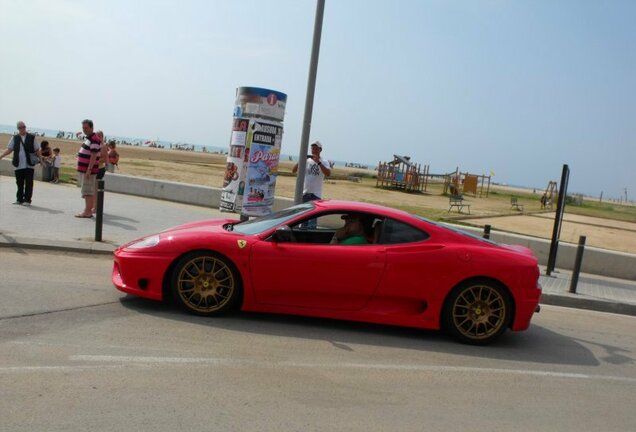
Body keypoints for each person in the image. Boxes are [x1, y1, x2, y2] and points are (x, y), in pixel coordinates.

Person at [0, 121, 41, 205]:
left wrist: (41, 160)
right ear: (18, 129)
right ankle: (19, 199)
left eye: (24, 127)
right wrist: (1, 156)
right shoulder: (15, 138)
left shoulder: (32, 137)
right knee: (19, 182)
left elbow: (37, 150)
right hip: (18, 164)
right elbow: (10, 149)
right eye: (21, 127)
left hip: (29, 164)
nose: (23, 129)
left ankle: (27, 200)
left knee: (29, 183)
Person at [292, 140, 331, 228]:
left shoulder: (324, 161)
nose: (314, 151)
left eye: (316, 149)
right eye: (313, 149)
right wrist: (301, 160)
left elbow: (328, 173)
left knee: (312, 221)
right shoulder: (307, 161)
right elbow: (293, 171)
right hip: (305, 193)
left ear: (320, 150)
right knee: (303, 220)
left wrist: (319, 163)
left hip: (316, 194)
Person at [75, 119, 101, 218]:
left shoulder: (94, 139)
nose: (84, 130)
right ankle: (87, 210)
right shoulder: (89, 138)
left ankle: (87, 211)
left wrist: (89, 170)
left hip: (88, 171)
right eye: (83, 128)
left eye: (86, 128)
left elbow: (93, 155)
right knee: (86, 191)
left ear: (91, 128)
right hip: (84, 169)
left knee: (88, 191)